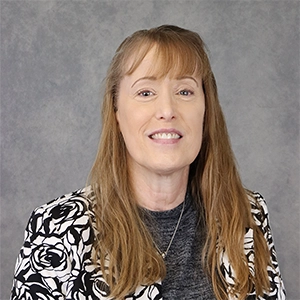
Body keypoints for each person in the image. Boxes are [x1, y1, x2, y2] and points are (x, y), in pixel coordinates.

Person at [11, 25, 285, 300]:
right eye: (145, 93)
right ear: (117, 112)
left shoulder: (248, 215)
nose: (167, 110)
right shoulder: (58, 229)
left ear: (206, 109)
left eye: (185, 92)